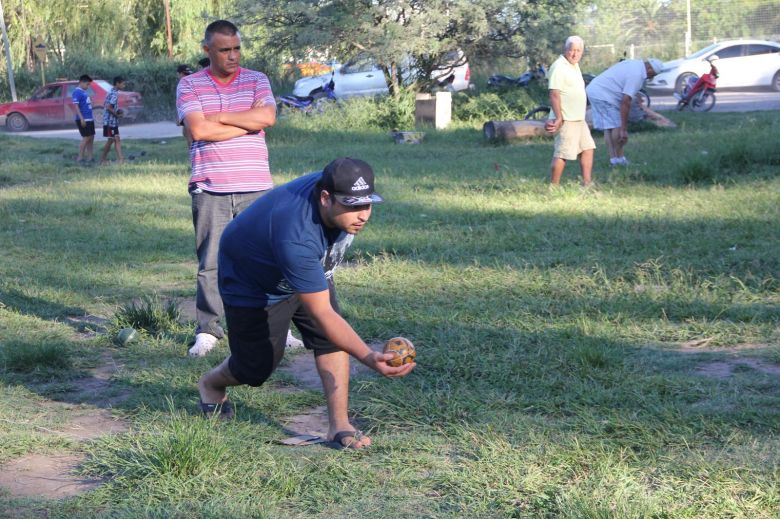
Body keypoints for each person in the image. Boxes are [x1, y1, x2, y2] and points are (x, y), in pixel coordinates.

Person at [197, 157, 415, 449]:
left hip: (304, 269)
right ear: (325, 198)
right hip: (252, 279)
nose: (362, 214)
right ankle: (211, 383)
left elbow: (327, 324)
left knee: (329, 338)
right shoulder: (297, 236)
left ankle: (339, 425)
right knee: (255, 368)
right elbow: (323, 313)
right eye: (352, 206)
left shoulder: (334, 186)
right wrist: (368, 357)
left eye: (367, 204)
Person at [176, 19, 301, 357]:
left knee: (268, 260)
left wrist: (218, 117)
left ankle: (278, 328)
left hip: (257, 187)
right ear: (207, 50)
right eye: (224, 50)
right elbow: (198, 131)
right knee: (211, 262)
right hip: (210, 185)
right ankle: (209, 331)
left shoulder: (257, 79)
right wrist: (244, 119)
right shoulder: (189, 85)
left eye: (236, 49)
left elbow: (267, 119)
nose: (233, 56)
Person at [585, 58, 663, 166]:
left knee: (608, 127)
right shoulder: (637, 75)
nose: (651, 77)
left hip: (595, 90)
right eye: (652, 74)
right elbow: (626, 102)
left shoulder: (635, 63)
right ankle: (620, 159)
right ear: (649, 69)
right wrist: (624, 129)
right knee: (617, 125)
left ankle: (614, 160)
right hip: (604, 94)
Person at [545, 36, 595, 186]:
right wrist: (559, 118)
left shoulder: (574, 65)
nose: (575, 54)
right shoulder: (559, 66)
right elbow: (554, 93)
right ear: (565, 50)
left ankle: (587, 184)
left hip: (579, 119)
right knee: (562, 153)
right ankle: (553, 188)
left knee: (588, 148)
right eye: (572, 50)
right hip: (566, 118)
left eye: (578, 51)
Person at [98, 76, 126, 165]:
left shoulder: (111, 91)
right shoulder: (114, 94)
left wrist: (118, 110)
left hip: (111, 121)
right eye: (122, 83)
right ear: (117, 83)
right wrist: (117, 115)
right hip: (110, 122)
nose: (124, 85)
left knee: (115, 139)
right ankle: (103, 159)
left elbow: (108, 105)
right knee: (113, 140)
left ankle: (120, 159)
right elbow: (109, 107)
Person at [72, 74, 95, 165]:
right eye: (87, 84)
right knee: (86, 137)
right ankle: (80, 157)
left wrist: (91, 103)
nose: (88, 86)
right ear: (81, 82)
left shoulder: (84, 92)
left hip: (89, 118)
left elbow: (86, 105)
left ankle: (90, 157)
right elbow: (76, 107)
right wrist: (81, 119)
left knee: (91, 137)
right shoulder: (77, 92)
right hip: (83, 119)